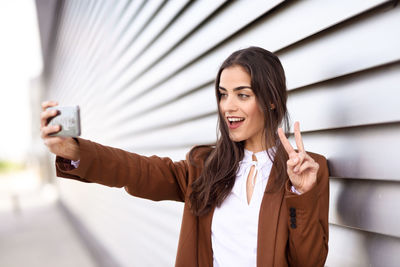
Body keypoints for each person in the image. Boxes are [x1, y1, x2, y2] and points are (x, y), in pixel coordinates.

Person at [40, 46, 329, 267]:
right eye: (222, 94)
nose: (228, 106)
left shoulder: (308, 170)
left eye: (242, 95)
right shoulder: (205, 167)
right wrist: (76, 152)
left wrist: (302, 194)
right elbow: (138, 171)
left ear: (271, 99)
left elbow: (309, 262)